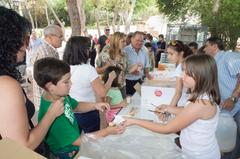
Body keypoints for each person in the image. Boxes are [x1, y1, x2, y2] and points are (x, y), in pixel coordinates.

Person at [125, 54, 221, 159]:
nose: (182, 76)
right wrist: (168, 108)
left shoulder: (201, 103)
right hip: (192, 151)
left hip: (200, 155)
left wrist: (134, 121)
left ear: (201, 76)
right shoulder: (200, 95)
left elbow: (167, 128)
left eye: (187, 74)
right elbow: (187, 111)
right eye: (183, 71)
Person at [0, 6, 64, 152]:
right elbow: (21, 146)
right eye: (25, 39)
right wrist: (51, 113)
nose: (27, 46)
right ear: (8, 40)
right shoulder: (5, 85)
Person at [34, 57, 125, 158]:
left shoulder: (58, 95)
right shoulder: (55, 117)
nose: (71, 84)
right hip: (66, 152)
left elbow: (76, 106)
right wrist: (107, 131)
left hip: (73, 143)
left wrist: (95, 105)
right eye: (66, 82)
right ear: (50, 86)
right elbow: (79, 141)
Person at [63, 36, 116, 133]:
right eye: (87, 48)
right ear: (82, 51)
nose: (89, 51)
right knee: (92, 140)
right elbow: (102, 93)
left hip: (69, 110)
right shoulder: (88, 69)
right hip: (88, 111)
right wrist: (111, 79)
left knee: (75, 141)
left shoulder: (63, 67)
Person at [204, 37, 240, 159]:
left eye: (206, 45)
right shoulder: (214, 62)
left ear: (214, 46)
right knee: (232, 139)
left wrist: (233, 98)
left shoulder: (228, 57)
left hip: (237, 106)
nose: (204, 48)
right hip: (227, 109)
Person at [31, 24, 64, 110]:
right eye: (60, 36)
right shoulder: (44, 53)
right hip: (47, 101)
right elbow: (45, 81)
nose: (62, 39)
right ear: (50, 37)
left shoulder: (50, 50)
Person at [96, 32, 127, 97]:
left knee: (123, 105)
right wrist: (107, 66)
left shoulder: (124, 53)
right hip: (109, 88)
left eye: (125, 41)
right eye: (123, 41)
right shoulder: (106, 53)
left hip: (122, 86)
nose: (125, 44)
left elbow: (124, 70)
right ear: (116, 41)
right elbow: (97, 70)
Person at [124, 31, 152, 96]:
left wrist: (150, 78)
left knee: (140, 99)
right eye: (137, 40)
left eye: (141, 41)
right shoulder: (125, 51)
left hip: (139, 81)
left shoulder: (145, 50)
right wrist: (130, 71)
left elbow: (147, 68)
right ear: (132, 39)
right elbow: (121, 70)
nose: (139, 43)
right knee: (129, 102)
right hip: (127, 82)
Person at [167, 40, 193, 107]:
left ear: (181, 53)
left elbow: (178, 93)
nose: (168, 57)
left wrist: (168, 110)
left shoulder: (181, 67)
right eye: (168, 53)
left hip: (183, 103)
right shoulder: (185, 64)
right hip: (187, 101)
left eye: (171, 54)